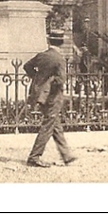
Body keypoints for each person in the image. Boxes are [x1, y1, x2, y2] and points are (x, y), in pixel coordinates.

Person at [24, 29, 76, 167]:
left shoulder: (42, 56)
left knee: (55, 124)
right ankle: (34, 157)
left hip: (40, 95)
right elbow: (60, 80)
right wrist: (51, 85)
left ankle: (66, 155)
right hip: (52, 96)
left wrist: (37, 79)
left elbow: (27, 66)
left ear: (49, 41)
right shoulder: (59, 59)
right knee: (48, 125)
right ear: (62, 42)